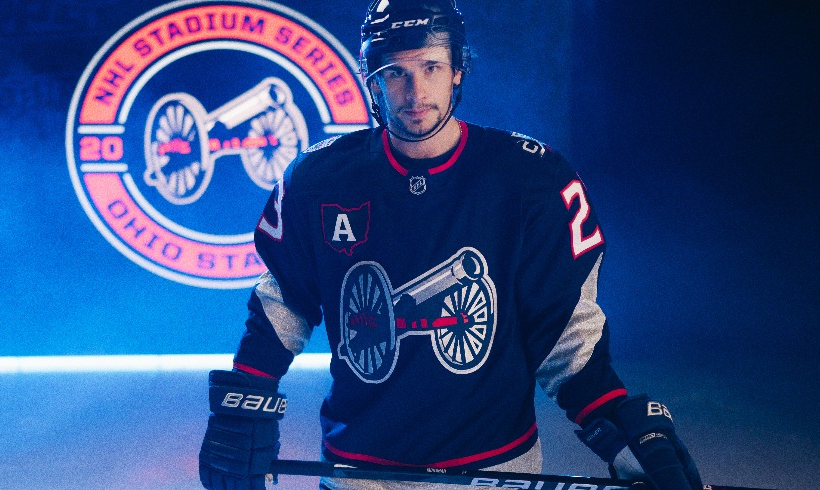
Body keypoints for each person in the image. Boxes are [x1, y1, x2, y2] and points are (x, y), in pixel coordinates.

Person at [198, 1, 703, 489]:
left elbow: (564, 332)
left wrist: (619, 424)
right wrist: (246, 394)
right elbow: (285, 297)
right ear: (371, 78)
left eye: (432, 66)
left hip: (499, 472)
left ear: (458, 69)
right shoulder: (317, 178)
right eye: (395, 71)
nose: (415, 91)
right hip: (359, 470)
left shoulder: (533, 179)